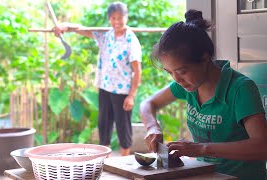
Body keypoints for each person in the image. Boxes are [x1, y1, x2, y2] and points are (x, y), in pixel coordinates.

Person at [139, 9, 267, 179]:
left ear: (205, 59)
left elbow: (262, 146)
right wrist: (152, 127)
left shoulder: (240, 89)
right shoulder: (189, 85)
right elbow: (148, 104)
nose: (177, 79)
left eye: (182, 71)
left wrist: (201, 148)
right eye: (169, 72)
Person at [54, 1, 142, 156]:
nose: (116, 22)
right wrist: (65, 26)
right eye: (113, 18)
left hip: (122, 91)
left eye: (120, 18)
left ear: (126, 17)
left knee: (123, 127)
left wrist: (131, 95)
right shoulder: (105, 36)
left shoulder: (131, 40)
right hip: (105, 87)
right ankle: (105, 161)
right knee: (104, 124)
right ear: (109, 19)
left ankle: (125, 161)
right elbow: (81, 30)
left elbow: (137, 71)